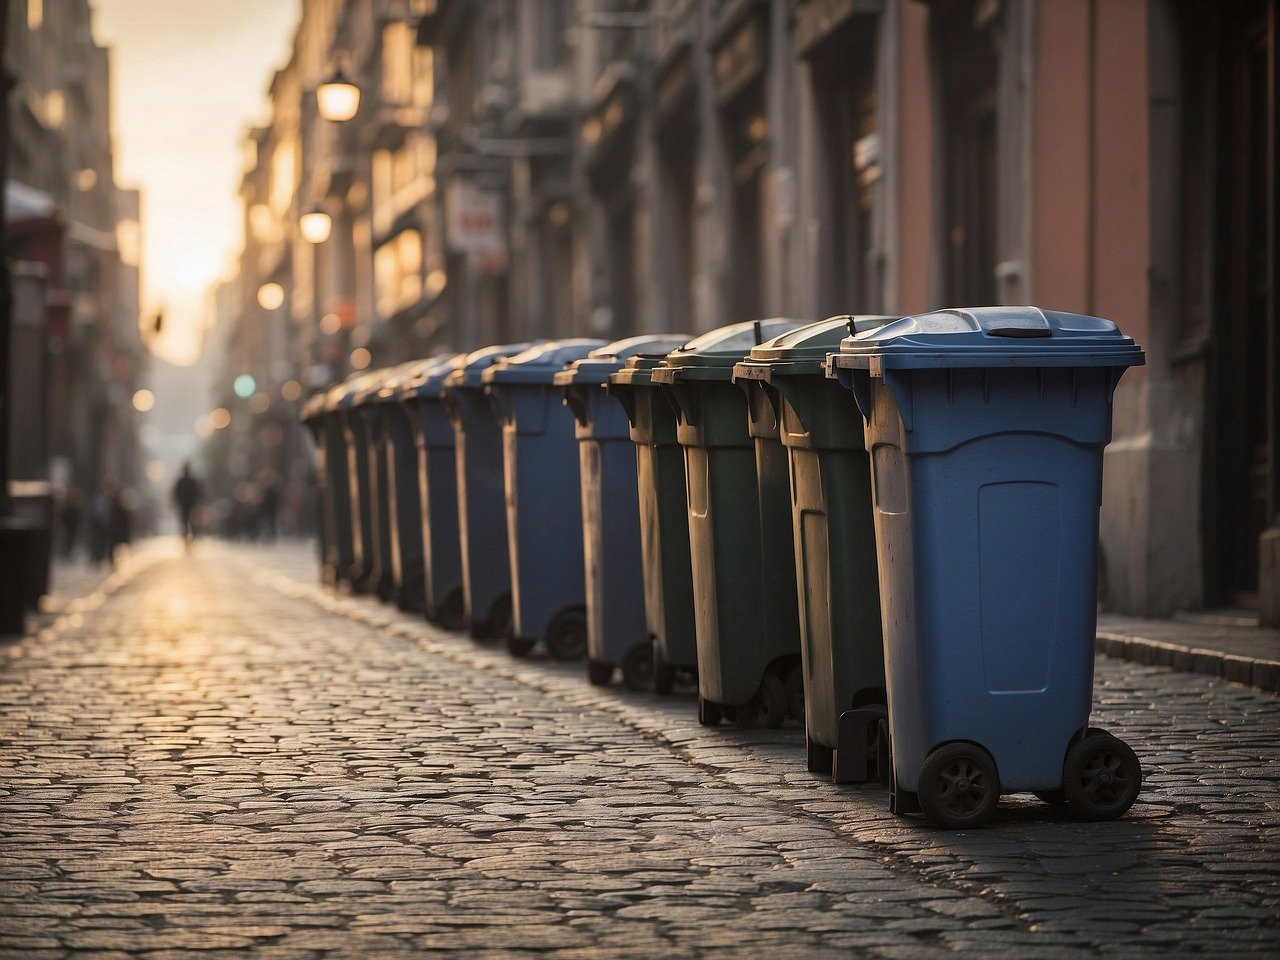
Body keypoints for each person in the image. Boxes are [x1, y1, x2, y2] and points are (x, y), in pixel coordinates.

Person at [172, 462, 202, 543]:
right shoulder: (184, 481)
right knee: (186, 521)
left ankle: (190, 535)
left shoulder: (188, 481)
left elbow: (198, 492)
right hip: (185, 504)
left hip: (190, 505)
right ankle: (187, 535)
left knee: (189, 521)